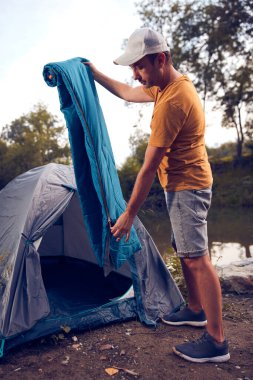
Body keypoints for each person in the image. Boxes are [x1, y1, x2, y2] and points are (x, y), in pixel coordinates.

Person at [84, 27, 230, 363]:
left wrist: (129, 214)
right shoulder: (165, 87)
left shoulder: (173, 101)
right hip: (183, 182)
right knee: (183, 249)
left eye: (139, 67)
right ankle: (195, 309)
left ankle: (217, 341)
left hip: (187, 185)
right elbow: (124, 92)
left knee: (196, 258)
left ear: (160, 59)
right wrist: (94, 74)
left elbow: (148, 167)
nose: (134, 75)